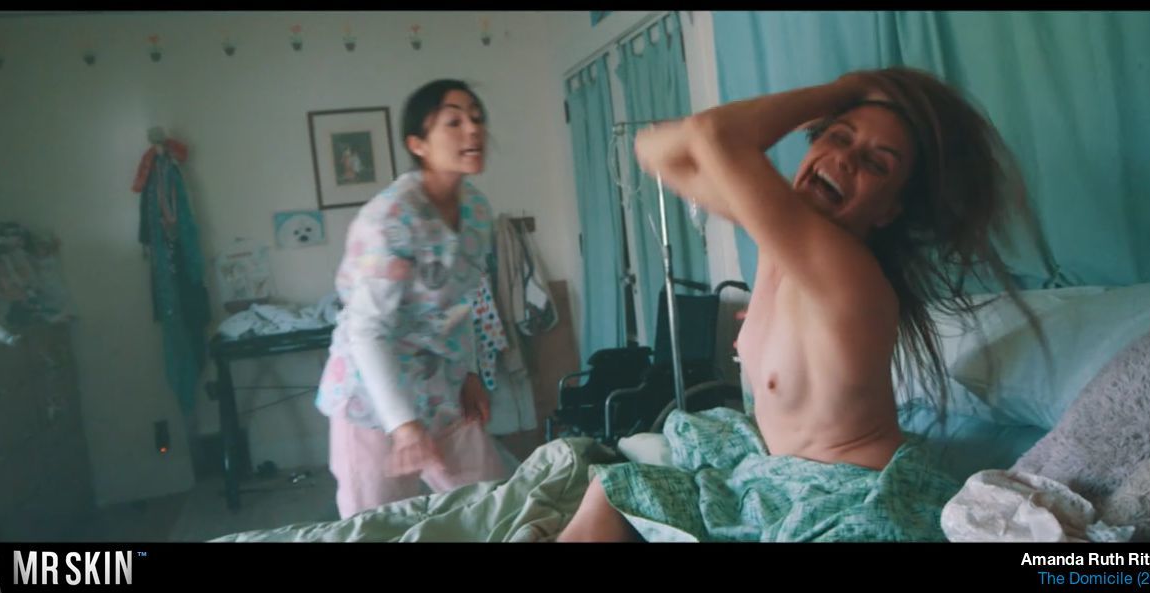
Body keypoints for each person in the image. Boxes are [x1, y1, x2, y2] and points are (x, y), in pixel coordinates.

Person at [557, 66, 1046, 542]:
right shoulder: (779, 246)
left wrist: (841, 92)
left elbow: (713, 135)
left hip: (849, 498)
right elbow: (657, 152)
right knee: (611, 491)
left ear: (889, 210)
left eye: (877, 164)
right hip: (776, 484)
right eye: (838, 137)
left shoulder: (845, 270)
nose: (845, 160)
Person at [316, 79, 508, 519]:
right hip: (373, 397)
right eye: (453, 121)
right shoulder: (390, 219)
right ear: (417, 144)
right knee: (378, 525)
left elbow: (461, 300)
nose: (473, 130)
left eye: (476, 118)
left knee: (494, 509)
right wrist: (403, 425)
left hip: (443, 386)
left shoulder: (477, 211)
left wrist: (470, 372)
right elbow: (367, 331)